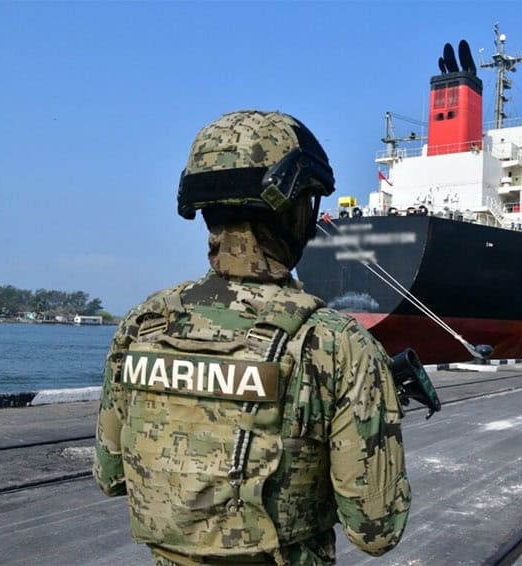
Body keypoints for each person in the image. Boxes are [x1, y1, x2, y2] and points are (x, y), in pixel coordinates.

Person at [93, 110, 410, 565]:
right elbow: (377, 529)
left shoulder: (143, 324)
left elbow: (111, 477)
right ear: (297, 210)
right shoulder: (336, 344)